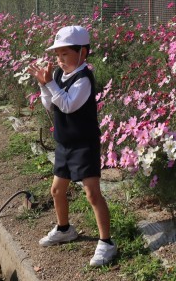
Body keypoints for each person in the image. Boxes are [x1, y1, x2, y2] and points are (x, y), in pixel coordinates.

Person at [28, 25, 116, 267]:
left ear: (82, 53)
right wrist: (43, 85)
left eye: (65, 54)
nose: (60, 59)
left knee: (92, 193)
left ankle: (106, 242)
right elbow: (50, 105)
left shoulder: (83, 78)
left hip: (84, 145)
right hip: (64, 144)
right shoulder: (58, 75)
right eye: (58, 55)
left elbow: (68, 105)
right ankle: (64, 228)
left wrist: (50, 84)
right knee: (57, 191)